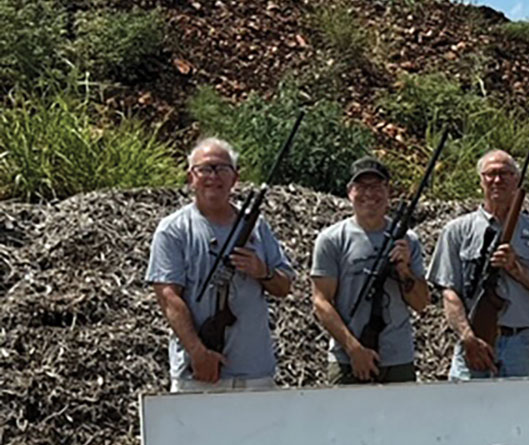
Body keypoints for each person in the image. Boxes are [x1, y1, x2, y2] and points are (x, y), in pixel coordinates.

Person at [146, 137, 294, 392]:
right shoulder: (173, 230)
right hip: (199, 374)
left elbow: (284, 286)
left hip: (255, 373)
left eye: (222, 168)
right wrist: (198, 353)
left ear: (235, 178)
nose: (213, 176)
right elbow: (168, 296)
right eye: (205, 168)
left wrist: (263, 271)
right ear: (190, 177)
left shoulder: (257, 227)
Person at [428, 149, 529, 379]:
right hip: (473, 343)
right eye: (490, 174)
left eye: (505, 173)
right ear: (481, 180)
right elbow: (449, 294)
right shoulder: (457, 231)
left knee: (520, 414)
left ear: (517, 180)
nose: (497, 180)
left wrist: (517, 269)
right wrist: (468, 338)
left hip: (521, 345)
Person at [311, 157, 430, 384]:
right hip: (347, 360)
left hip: (398, 360)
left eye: (376, 187)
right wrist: (354, 350)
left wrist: (404, 271)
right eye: (361, 187)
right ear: (349, 192)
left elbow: (421, 303)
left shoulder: (409, 240)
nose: (369, 194)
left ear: (388, 191)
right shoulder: (331, 239)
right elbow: (321, 302)